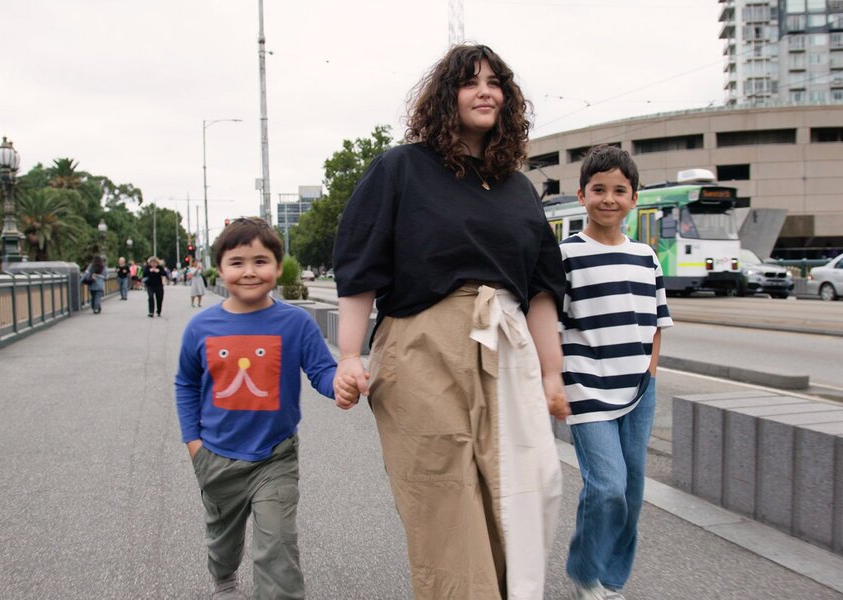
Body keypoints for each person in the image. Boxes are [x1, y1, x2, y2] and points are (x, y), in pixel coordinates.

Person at [332, 43, 569, 600]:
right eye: (470, 82)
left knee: (526, 486)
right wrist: (349, 356)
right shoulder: (401, 168)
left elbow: (541, 288)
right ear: (446, 96)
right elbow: (360, 269)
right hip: (423, 346)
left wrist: (552, 373)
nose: (485, 92)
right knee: (446, 494)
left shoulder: (518, 188)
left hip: (507, 345)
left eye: (494, 82)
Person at [175, 217, 350, 600]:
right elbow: (186, 384)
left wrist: (339, 386)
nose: (249, 271)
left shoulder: (295, 322)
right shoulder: (201, 327)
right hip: (216, 457)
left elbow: (321, 370)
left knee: (277, 547)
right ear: (220, 268)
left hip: (275, 457)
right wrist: (193, 444)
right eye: (237, 262)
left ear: (277, 266)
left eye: (260, 261)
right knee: (223, 540)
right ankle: (224, 580)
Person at [559, 146, 673, 600]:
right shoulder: (565, 255)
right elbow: (550, 323)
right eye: (599, 189)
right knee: (607, 486)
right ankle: (585, 574)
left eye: (620, 190)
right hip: (586, 387)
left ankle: (611, 579)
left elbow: (658, 321)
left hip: (639, 390)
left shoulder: (646, 256)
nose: (609, 198)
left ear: (634, 199)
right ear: (581, 195)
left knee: (633, 490)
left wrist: (651, 371)